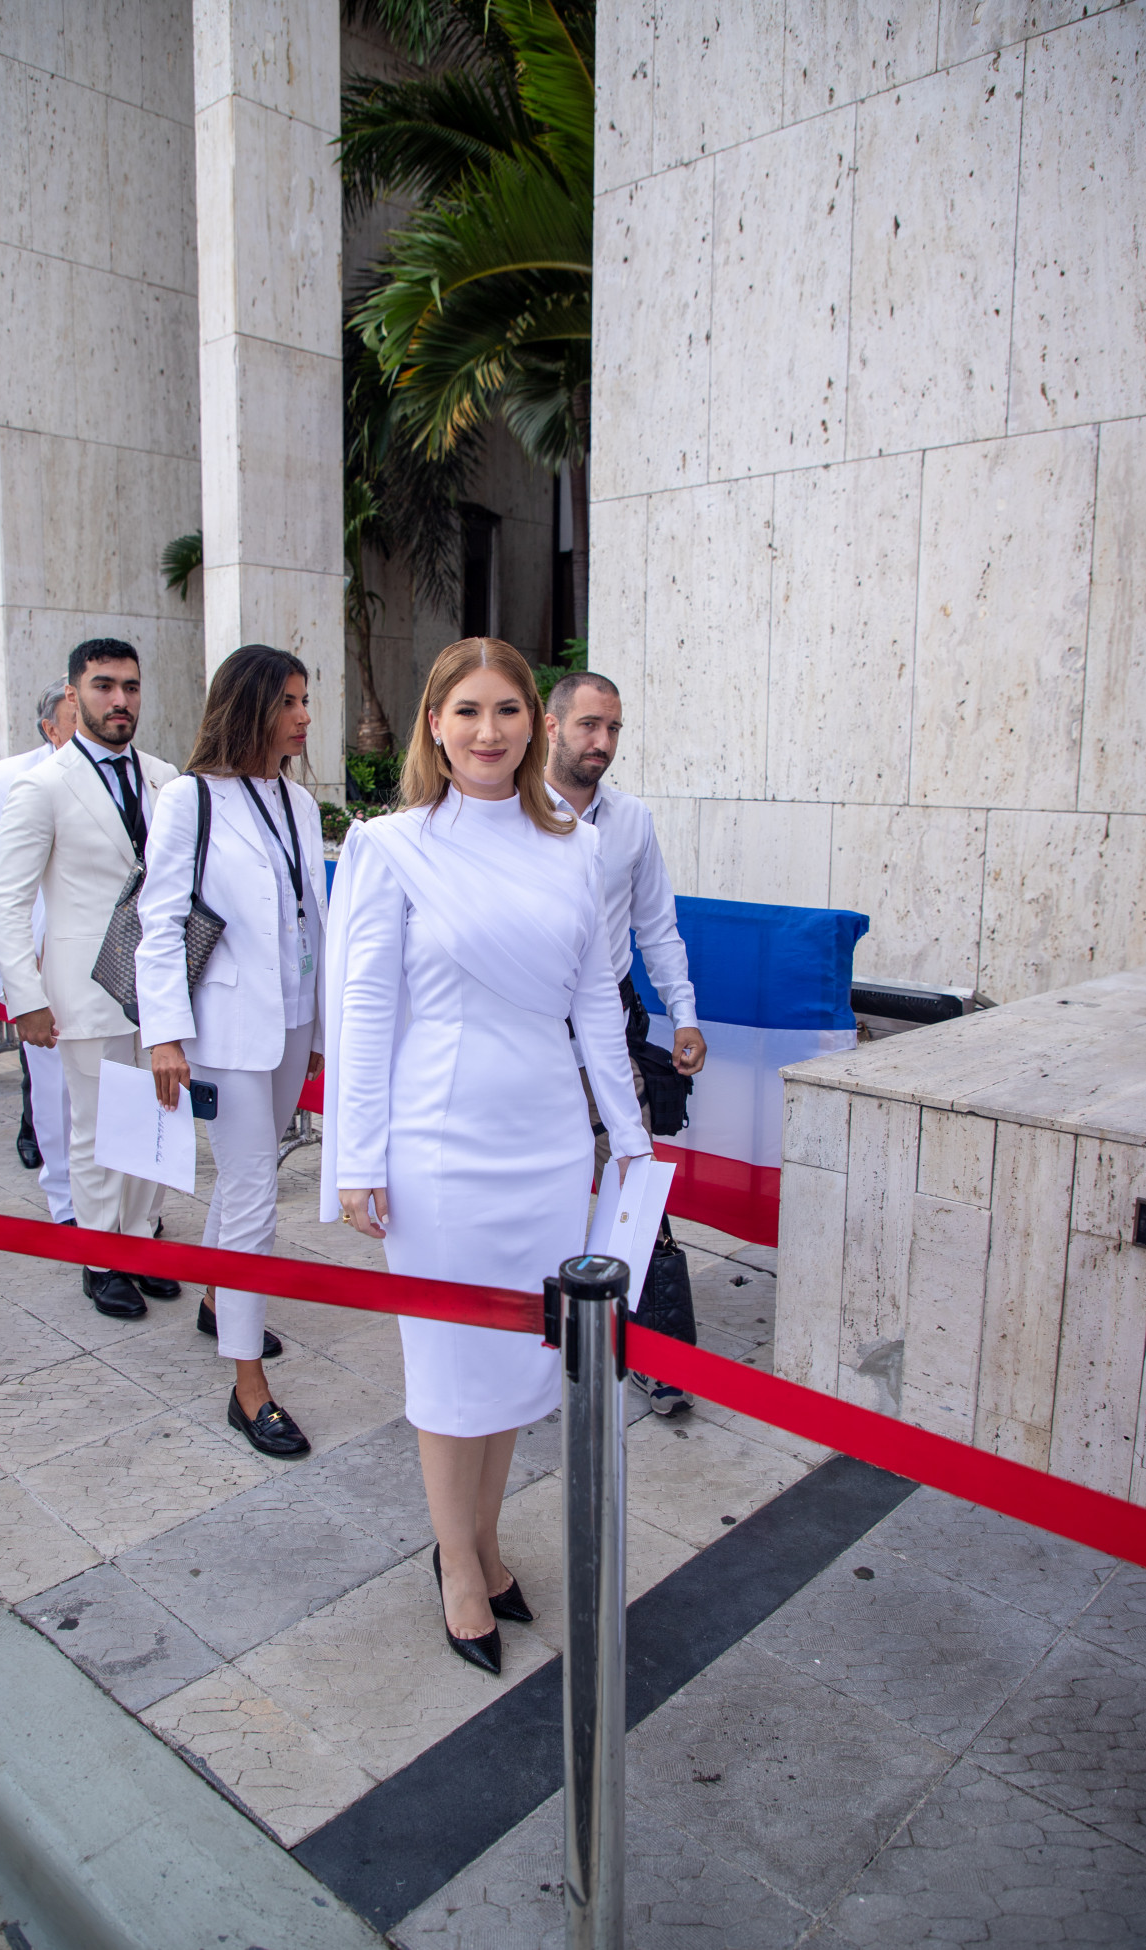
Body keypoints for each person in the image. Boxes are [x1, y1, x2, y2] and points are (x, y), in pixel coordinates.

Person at [322, 637, 651, 1674]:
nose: (487, 730)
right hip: (439, 1151)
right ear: (434, 724)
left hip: (547, 1149)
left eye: (506, 709)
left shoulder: (578, 848)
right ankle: (455, 1562)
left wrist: (629, 1141)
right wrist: (357, 1160)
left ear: (534, 724)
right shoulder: (390, 847)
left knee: (516, 1361)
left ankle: (487, 1538)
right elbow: (364, 1010)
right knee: (450, 1367)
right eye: (465, 710)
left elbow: (595, 1000)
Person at [138, 645, 327, 1454]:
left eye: (305, 699)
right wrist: (164, 1035)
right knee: (253, 1190)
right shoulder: (190, 799)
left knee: (252, 1175)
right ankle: (248, 1387)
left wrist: (317, 1029)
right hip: (223, 1027)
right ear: (249, 705)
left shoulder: (299, 802)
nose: (304, 716)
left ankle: (220, 1299)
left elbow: (310, 918)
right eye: (288, 701)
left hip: (290, 1021)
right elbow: (159, 922)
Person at [0, 639, 180, 1319]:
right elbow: (6, 901)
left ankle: (142, 1241)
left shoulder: (164, 778)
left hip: (160, 988)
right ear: (74, 695)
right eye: (103, 686)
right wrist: (26, 998)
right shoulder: (43, 785)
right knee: (98, 1129)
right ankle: (101, 1259)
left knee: (156, 1119)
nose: (119, 700)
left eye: (130, 686)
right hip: (84, 989)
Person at [544, 670, 707, 1413]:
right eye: (589, 725)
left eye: (613, 728)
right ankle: (532, 1337)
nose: (602, 742)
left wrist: (685, 1014)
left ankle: (658, 1351)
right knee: (538, 1187)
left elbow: (657, 928)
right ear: (552, 727)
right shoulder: (507, 808)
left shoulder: (632, 820)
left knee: (633, 1182)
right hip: (526, 1027)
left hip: (610, 1021)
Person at [0, 680, 78, 1225]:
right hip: (40, 965)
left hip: (112, 967)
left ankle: (123, 1209)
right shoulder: (4, 779)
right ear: (49, 727)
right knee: (53, 1092)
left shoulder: (136, 775)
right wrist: (17, 972)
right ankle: (66, 1201)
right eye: (75, 717)